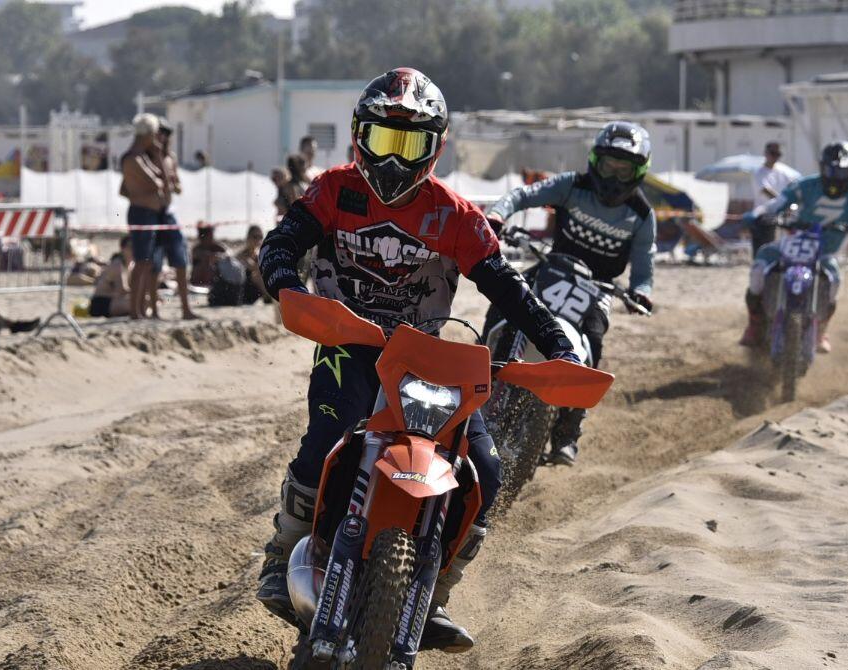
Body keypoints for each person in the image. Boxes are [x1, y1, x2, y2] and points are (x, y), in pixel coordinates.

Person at [254, 68, 577, 652]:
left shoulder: (455, 214)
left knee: (487, 469)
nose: (395, 160)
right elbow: (280, 242)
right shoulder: (334, 190)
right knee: (326, 432)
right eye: (384, 140)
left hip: (426, 356)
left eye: (412, 144)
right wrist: (282, 281)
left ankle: (436, 591)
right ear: (359, 136)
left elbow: (508, 288)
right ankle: (283, 554)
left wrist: (556, 345)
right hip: (348, 339)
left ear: (436, 147)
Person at [485, 121, 656, 467]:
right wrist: (499, 214)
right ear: (595, 161)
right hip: (551, 266)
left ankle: (567, 433)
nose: (614, 177)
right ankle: (477, 376)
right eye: (609, 166)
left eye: (625, 171)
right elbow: (522, 196)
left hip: (599, 289)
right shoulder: (572, 186)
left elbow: (644, 265)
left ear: (639, 173)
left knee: (593, 342)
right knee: (501, 300)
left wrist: (641, 291)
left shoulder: (641, 214)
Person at [740, 142, 848, 353]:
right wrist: (759, 215)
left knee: (834, 281)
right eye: (832, 171)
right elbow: (778, 202)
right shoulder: (805, 186)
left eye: (842, 172)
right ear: (823, 167)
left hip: (824, 254)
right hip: (791, 245)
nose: (836, 177)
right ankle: (754, 323)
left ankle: (821, 329)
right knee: (759, 267)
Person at [150, 118, 199, 320]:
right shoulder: (148, 157)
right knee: (154, 263)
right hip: (153, 213)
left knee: (180, 261)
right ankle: (153, 310)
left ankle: (186, 309)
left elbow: (177, 185)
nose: (163, 136)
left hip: (169, 213)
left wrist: (172, 184)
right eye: (160, 132)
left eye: (166, 133)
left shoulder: (170, 157)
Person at [120, 113, 167, 320]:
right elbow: (157, 183)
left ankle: (139, 308)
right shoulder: (133, 159)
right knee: (141, 262)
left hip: (147, 213)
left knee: (147, 263)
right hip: (141, 214)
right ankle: (135, 310)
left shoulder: (140, 157)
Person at [749, 142, 798, 255]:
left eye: (777, 154)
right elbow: (765, 191)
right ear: (766, 154)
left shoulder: (783, 171)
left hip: (782, 214)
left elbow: (793, 185)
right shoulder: (759, 173)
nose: (775, 157)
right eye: (773, 153)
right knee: (764, 248)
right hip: (764, 215)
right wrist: (784, 201)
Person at [209, 225, 270, 306]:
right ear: (248, 238)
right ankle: (269, 297)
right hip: (240, 291)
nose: (258, 240)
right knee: (256, 275)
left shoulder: (258, 256)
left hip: (251, 292)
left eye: (260, 237)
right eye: (255, 237)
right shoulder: (241, 254)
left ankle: (269, 297)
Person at [90, 236, 133, 318]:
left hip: (114, 300)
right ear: (122, 249)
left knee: (144, 303)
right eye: (130, 247)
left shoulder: (131, 265)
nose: (133, 250)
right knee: (137, 304)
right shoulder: (118, 264)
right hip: (101, 302)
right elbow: (122, 290)